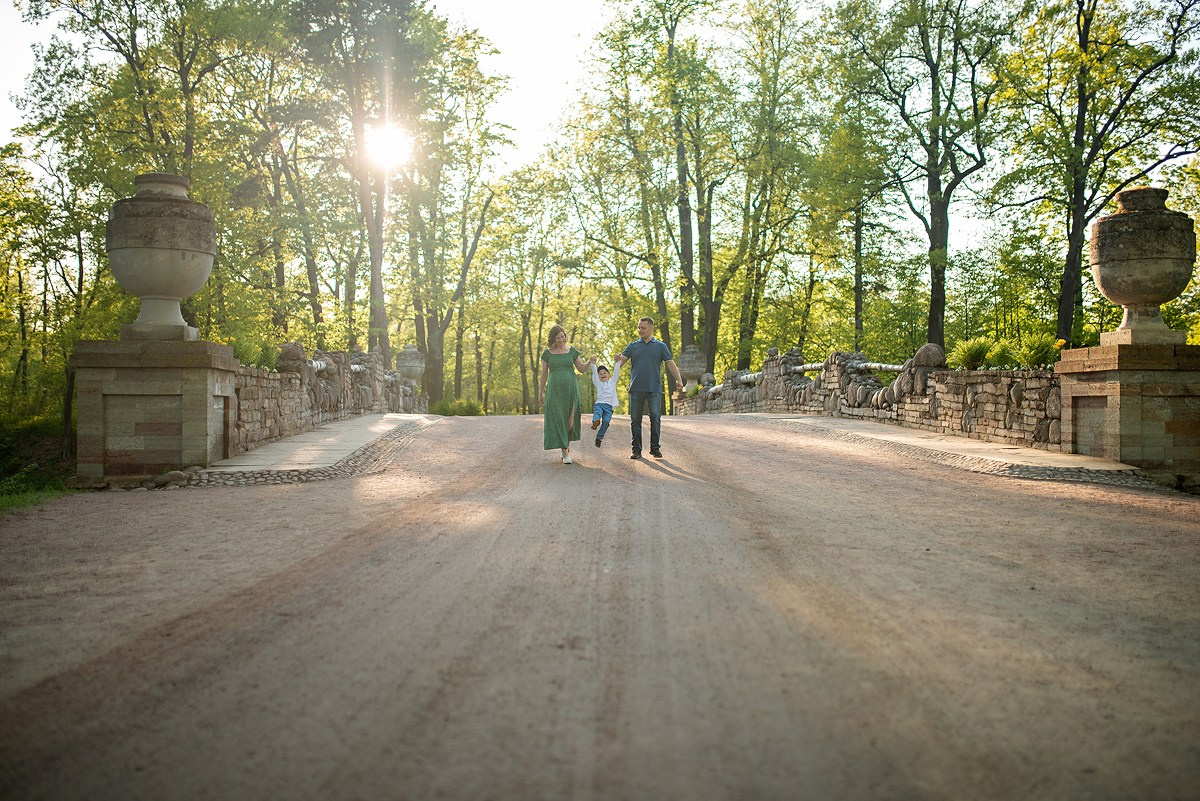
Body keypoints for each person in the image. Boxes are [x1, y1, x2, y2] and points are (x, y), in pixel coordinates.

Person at [621, 316, 685, 460]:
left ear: (651, 328)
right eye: (638, 327)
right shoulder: (632, 346)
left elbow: (670, 364)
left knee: (655, 417)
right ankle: (636, 450)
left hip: (654, 389)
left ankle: (655, 448)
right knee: (635, 420)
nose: (640, 330)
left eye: (643, 327)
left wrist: (679, 379)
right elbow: (621, 362)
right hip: (636, 388)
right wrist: (617, 361)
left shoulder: (660, 346)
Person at [538, 324, 592, 464]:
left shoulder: (571, 351)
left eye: (562, 337)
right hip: (554, 391)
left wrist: (590, 362)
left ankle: (566, 447)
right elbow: (544, 374)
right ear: (553, 339)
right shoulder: (547, 353)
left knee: (570, 421)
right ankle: (564, 451)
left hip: (571, 390)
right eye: (558, 338)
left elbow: (581, 368)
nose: (561, 340)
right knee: (559, 419)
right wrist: (540, 393)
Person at [589, 355, 626, 448]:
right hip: (600, 404)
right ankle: (595, 422)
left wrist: (618, 362)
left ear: (609, 375)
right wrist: (593, 364)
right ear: (598, 377)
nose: (602, 375)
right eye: (600, 374)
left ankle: (599, 437)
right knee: (597, 412)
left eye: (604, 373)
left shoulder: (612, 382)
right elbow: (594, 372)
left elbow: (616, 372)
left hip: (609, 406)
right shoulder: (598, 383)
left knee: (606, 422)